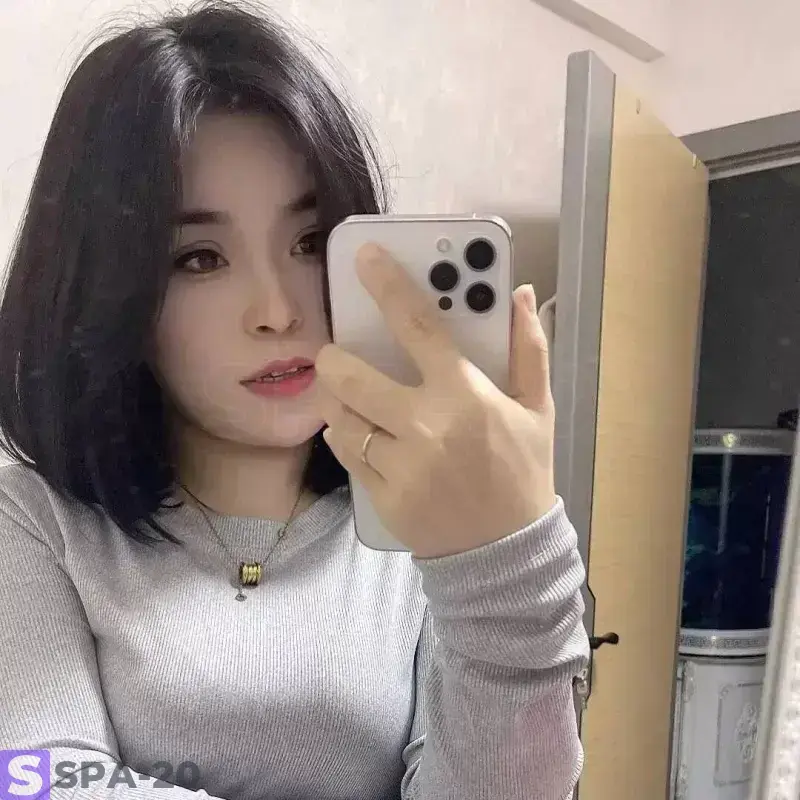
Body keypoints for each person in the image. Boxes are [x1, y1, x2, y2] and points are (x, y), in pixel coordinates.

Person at [0, 2, 590, 799]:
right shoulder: (35, 519)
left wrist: (512, 566)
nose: (276, 311)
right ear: (109, 288)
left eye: (311, 243)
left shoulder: (421, 526)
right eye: (199, 258)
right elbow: (34, 780)